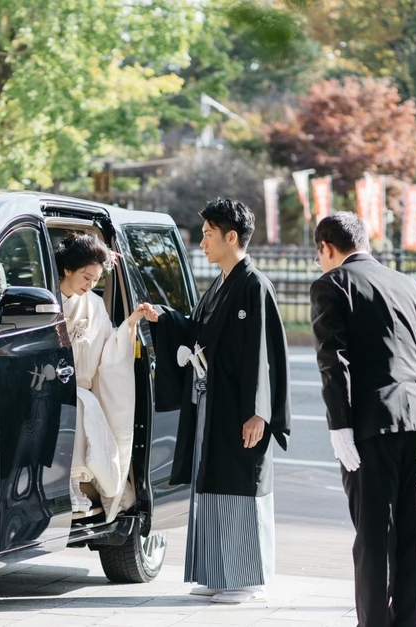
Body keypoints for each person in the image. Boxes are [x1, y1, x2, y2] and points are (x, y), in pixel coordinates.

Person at [309, 212, 416, 627]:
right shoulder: (410, 285)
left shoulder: (331, 285)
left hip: (372, 426)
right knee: (414, 536)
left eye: (319, 255)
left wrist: (339, 426)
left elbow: (335, 359)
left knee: (374, 538)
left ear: (326, 249)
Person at [152, 198, 290, 604]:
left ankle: (248, 579)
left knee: (240, 485)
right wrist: (165, 318)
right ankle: (217, 572)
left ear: (232, 237)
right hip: (212, 403)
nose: (202, 242)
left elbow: (264, 355)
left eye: (209, 234)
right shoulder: (221, 284)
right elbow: (198, 332)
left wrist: (259, 412)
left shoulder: (254, 285)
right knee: (211, 482)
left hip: (240, 407)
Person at [56, 233, 157, 522]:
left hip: (78, 389)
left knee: (83, 404)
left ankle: (74, 485)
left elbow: (109, 349)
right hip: (47, 384)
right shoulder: (47, 300)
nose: (90, 285)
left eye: (96, 280)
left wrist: (131, 323)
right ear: (67, 270)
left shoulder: (94, 305)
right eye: (86, 277)